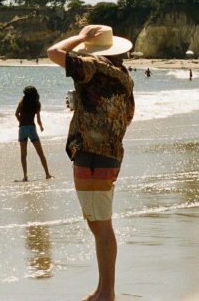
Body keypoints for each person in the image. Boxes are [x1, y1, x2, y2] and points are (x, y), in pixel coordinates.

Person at [48, 24, 135, 301]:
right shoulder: (121, 75)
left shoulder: (93, 67)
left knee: (100, 225)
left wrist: (78, 38)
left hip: (92, 155)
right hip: (109, 153)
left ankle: (106, 292)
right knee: (99, 223)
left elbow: (54, 52)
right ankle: (103, 289)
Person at [15, 86, 52, 182]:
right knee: (40, 153)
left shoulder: (22, 102)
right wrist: (41, 127)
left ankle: (25, 176)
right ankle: (47, 174)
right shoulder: (37, 104)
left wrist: (21, 122)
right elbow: (38, 119)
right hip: (32, 128)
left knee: (23, 154)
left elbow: (16, 114)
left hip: (22, 129)